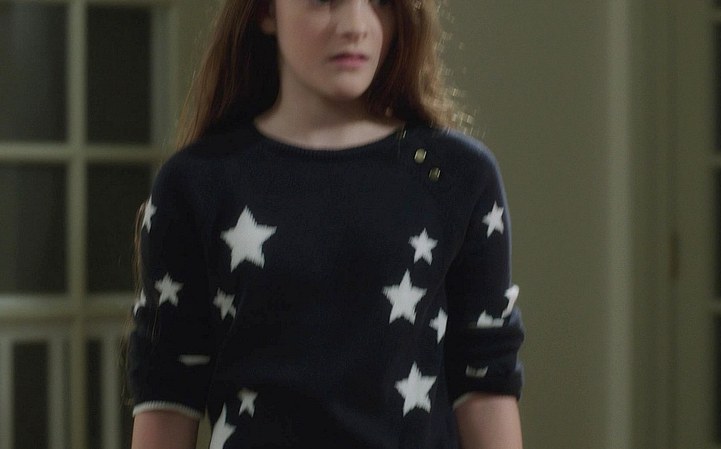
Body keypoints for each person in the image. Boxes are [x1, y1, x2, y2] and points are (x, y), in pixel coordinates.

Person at [127, 0, 524, 447]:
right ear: (265, 12)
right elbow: (167, 389)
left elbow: (486, 379)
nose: (356, 25)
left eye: (379, 2)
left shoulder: (456, 175)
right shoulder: (196, 183)